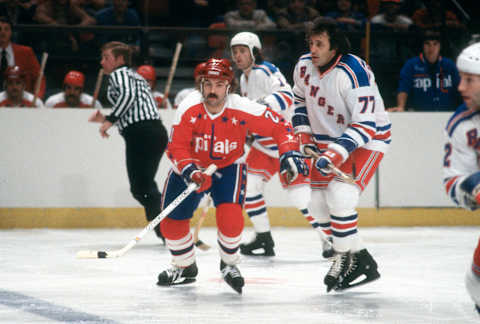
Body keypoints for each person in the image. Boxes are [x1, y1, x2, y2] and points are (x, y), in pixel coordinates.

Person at [156, 58, 308, 294]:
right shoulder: (188, 107)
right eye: (208, 84)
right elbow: (176, 147)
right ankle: (185, 267)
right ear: (201, 85)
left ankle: (229, 264)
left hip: (228, 167)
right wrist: (191, 171)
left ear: (229, 86)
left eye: (219, 84)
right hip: (189, 168)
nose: (212, 91)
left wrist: (288, 152)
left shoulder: (241, 106)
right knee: (171, 225)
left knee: (231, 219)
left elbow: (280, 126)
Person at [292, 22, 391, 292]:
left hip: (368, 140)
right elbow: (299, 99)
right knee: (317, 206)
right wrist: (302, 134)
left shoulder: (354, 72)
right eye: (310, 43)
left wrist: (335, 153)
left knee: (341, 197)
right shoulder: (303, 66)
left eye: (319, 44)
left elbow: (366, 125)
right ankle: (361, 259)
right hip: (327, 141)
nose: (312, 50)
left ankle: (342, 258)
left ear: (334, 46)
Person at [230, 31, 333, 258]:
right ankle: (264, 238)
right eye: (235, 51)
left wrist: (261, 105)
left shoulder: (264, 71)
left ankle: (330, 238)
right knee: (249, 188)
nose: (238, 56)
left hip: (285, 141)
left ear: (255, 52)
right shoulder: (244, 78)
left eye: (242, 51)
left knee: (300, 196)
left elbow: (286, 94)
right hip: (263, 144)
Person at [88, 41, 168, 243]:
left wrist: (109, 121)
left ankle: (167, 228)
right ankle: (167, 227)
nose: (102, 62)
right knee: (144, 185)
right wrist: (108, 118)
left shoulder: (119, 74)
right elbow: (134, 108)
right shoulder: (134, 75)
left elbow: (128, 96)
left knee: (142, 187)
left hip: (142, 134)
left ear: (120, 60)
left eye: (107, 57)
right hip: (152, 132)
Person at [442, 42, 480, 314]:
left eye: (469, 80)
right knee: (476, 282)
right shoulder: (463, 123)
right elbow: (453, 179)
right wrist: (473, 186)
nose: (460, 87)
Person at [388, 31, 461, 112]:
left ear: (440, 46)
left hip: (446, 114)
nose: (431, 48)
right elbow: (403, 89)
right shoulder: (411, 65)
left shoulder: (449, 65)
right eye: (427, 44)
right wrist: (401, 106)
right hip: (419, 114)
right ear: (422, 46)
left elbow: (461, 88)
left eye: (435, 44)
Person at [0, 17, 45, 97]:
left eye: (6, 29)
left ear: (11, 32)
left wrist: (37, 97)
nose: (2, 32)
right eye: (0, 29)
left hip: (22, 103)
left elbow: (39, 77)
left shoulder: (26, 52)